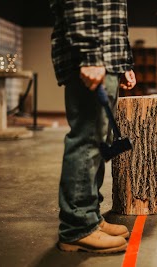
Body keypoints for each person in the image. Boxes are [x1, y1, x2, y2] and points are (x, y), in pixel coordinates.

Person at [49, 0, 136, 253]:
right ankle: (76, 228)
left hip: (107, 58)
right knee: (87, 139)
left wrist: (124, 63)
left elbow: (112, 14)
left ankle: (90, 216)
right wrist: (89, 55)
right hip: (93, 57)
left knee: (98, 142)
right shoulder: (91, 56)